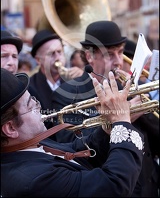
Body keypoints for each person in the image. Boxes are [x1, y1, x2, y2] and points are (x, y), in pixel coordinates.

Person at [51, 21, 159, 197]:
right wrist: (123, 119)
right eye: (109, 54)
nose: (118, 61)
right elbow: (70, 148)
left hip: (148, 187)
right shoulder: (68, 94)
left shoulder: (130, 87)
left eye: (121, 52)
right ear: (90, 56)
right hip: (111, 187)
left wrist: (143, 111)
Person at [1, 68, 144, 197]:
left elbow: (76, 152)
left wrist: (109, 128)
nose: (38, 106)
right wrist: (122, 122)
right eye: (30, 106)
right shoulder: (34, 180)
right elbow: (113, 186)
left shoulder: (29, 145)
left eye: (33, 99)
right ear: (11, 129)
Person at [29, 29, 84, 112]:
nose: (58, 58)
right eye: (51, 54)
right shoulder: (30, 87)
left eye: (59, 52)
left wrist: (83, 80)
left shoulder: (73, 79)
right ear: (38, 60)